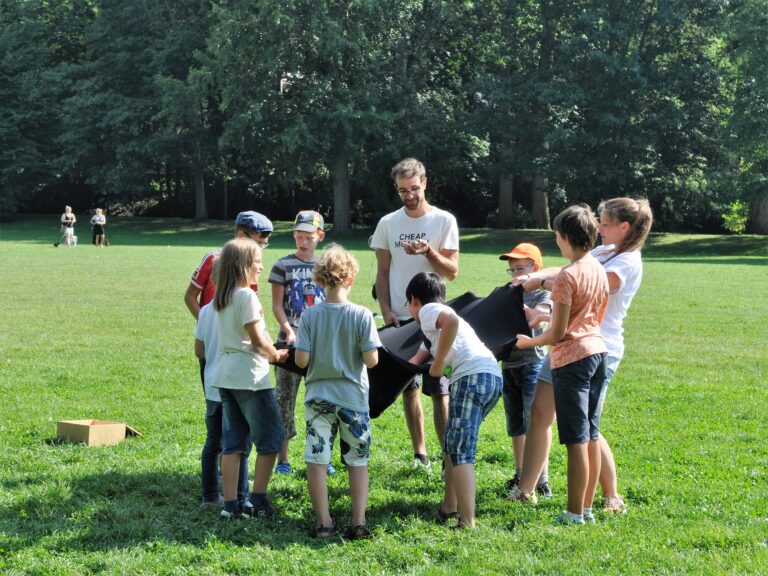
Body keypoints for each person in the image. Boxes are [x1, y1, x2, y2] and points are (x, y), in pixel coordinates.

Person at [509, 197, 653, 516]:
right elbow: (568, 271)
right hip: (563, 345)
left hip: (596, 347)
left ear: (624, 227)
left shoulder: (627, 262)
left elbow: (576, 287)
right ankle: (527, 489)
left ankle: (609, 495)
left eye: (604, 223)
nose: (599, 228)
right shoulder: (603, 252)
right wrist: (530, 278)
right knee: (540, 413)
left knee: (587, 428)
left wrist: (543, 284)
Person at [514, 204, 608, 526]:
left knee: (575, 439)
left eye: (556, 235)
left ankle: (573, 513)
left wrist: (527, 342)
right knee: (590, 434)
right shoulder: (596, 268)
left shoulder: (568, 275)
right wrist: (540, 285)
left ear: (565, 236)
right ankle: (589, 508)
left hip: (572, 360)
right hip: (598, 353)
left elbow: (557, 332)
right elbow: (582, 308)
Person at [369, 158, 459, 469]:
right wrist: (386, 311)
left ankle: (448, 454)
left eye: (414, 189)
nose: (409, 195)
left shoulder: (444, 221)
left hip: (435, 321)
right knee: (410, 390)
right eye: (402, 190)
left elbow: (452, 271)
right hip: (399, 317)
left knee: (440, 391)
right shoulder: (388, 224)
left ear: (425, 183)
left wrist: (428, 252)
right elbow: (382, 273)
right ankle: (420, 453)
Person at [294, 244, 381, 539]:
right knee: (358, 460)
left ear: (319, 279)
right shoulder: (362, 315)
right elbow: (372, 360)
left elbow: (301, 360)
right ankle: (358, 521)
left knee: (317, 459)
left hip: (318, 396)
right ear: (351, 278)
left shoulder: (309, 316)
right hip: (353, 398)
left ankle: (324, 522)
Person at [406, 272, 501, 529]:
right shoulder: (431, 334)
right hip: (488, 377)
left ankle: (467, 520)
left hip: (472, 377)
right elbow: (413, 362)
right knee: (452, 442)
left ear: (414, 300)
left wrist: (438, 364)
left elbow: (452, 321)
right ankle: (449, 506)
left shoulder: (429, 311)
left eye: (408, 305)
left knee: (460, 449)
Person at [211, 238, 289, 520]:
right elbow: (257, 339)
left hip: (226, 374)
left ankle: (230, 505)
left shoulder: (223, 296)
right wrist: (275, 354)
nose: (261, 267)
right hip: (250, 377)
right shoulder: (246, 296)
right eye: (257, 262)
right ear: (243, 265)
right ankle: (257, 501)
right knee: (271, 440)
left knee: (234, 443)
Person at [268, 210, 328, 476]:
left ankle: (322, 456)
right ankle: (283, 459)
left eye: (309, 237)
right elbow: (277, 305)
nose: (303, 242)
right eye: (299, 236)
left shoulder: (326, 266)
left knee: (323, 401)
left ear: (320, 236)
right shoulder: (282, 265)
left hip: (321, 345)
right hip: (288, 344)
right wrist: (287, 330)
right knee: (284, 399)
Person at [497, 243, 553, 497]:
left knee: (536, 423)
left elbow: (543, 314)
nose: (516, 274)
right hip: (509, 364)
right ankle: (520, 474)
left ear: (535, 269)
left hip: (533, 365)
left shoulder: (543, 294)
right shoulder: (508, 293)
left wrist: (526, 310)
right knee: (516, 424)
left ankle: (541, 479)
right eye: (512, 270)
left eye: (520, 268)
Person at [195, 302, 249, 509]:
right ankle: (238, 497)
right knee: (237, 444)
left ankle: (209, 496)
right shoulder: (242, 305)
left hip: (212, 384)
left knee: (213, 442)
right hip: (234, 384)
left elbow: (199, 350)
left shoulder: (206, 310)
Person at [184, 211, 273, 321]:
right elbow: (190, 297)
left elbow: (253, 302)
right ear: (241, 236)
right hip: (211, 335)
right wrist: (205, 323)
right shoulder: (212, 259)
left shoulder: (252, 264)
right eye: (258, 243)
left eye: (263, 244)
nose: (260, 249)